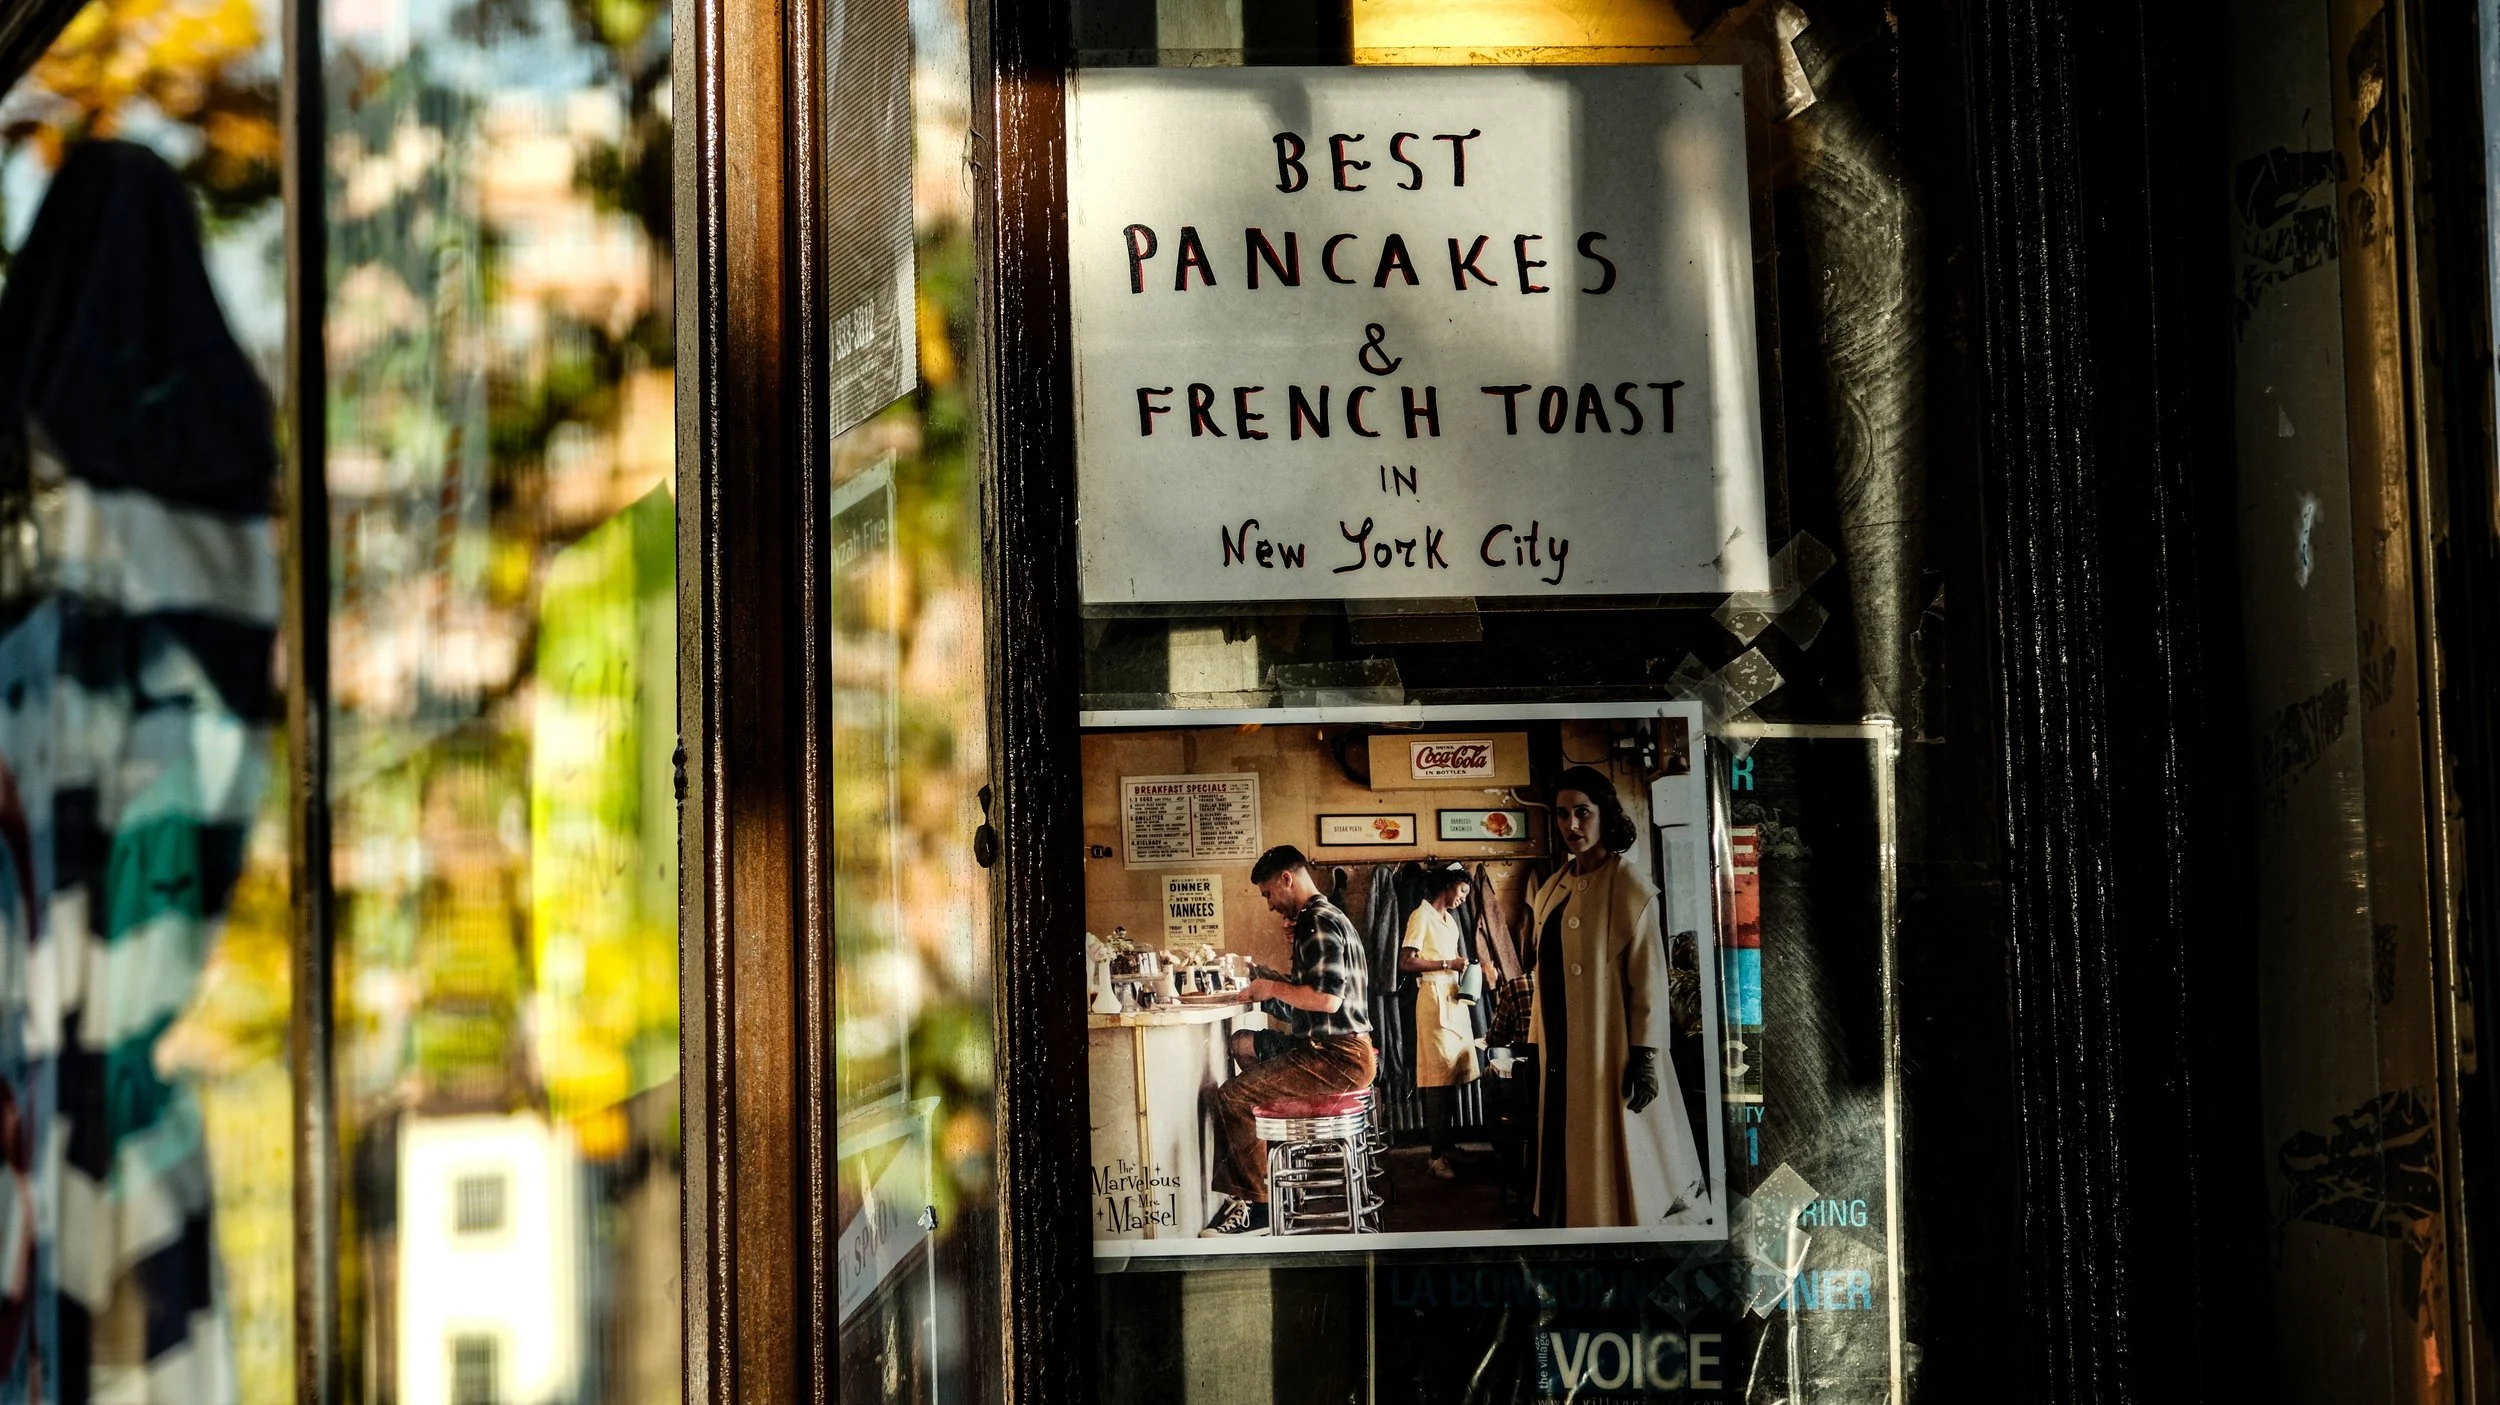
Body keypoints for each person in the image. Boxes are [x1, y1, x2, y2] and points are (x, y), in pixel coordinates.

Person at [1524, 765, 1706, 1227]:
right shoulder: (1551, 889)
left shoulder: (1631, 885)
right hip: (1561, 1051)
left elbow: (1648, 979)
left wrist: (1645, 1055)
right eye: (1562, 815)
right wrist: (1533, 1043)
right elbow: (1543, 973)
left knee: (1619, 1162)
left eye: (1582, 813)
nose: (1571, 826)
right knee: (1566, 1157)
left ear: (1604, 814)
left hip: (1612, 1049)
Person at [1202, 845, 1377, 1236]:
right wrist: (1273, 979)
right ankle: (1275, 1174)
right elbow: (1311, 1001)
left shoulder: (1318, 921)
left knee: (1234, 1096)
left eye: (1268, 894)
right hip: (1330, 1051)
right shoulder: (1323, 917)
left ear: (1286, 879)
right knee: (1245, 1044)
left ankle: (1258, 1212)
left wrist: (1271, 986)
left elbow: (1327, 1001)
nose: (1268, 904)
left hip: (1337, 1058)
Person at [1399, 863, 1480, 1179]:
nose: (1463, 898)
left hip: (1453, 998)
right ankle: (1434, 1156)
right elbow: (1406, 961)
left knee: (1453, 1076)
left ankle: (1446, 1145)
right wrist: (1448, 962)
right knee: (1437, 1080)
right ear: (1448, 885)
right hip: (1433, 1000)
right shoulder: (1422, 915)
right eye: (1461, 891)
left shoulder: (1450, 921)